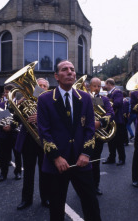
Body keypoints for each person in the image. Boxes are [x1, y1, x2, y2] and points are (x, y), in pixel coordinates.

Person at [37, 60, 101, 221]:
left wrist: (86, 154)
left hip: (82, 161)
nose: (70, 72)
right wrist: (56, 157)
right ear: (56, 76)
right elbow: (44, 132)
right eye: (64, 70)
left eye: (72, 69)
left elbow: (90, 128)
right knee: (57, 208)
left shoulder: (85, 98)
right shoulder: (45, 99)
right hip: (57, 164)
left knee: (91, 204)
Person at [16, 78, 50, 210]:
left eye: (44, 86)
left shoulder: (52, 100)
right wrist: (18, 107)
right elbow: (14, 118)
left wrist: (39, 117)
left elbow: (57, 118)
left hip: (45, 141)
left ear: (47, 88)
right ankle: (26, 199)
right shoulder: (26, 100)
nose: (41, 87)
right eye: (39, 85)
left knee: (45, 172)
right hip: (28, 140)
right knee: (28, 173)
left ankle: (45, 198)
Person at [89, 77, 114, 195]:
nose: (97, 88)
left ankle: (95, 186)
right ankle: (84, 186)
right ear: (89, 86)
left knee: (95, 161)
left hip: (97, 135)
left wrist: (101, 121)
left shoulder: (103, 99)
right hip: (84, 135)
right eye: (94, 86)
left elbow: (110, 113)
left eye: (99, 86)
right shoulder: (83, 97)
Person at [0, 84, 21, 181]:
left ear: (13, 93)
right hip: (3, 132)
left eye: (8, 92)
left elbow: (20, 118)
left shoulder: (19, 102)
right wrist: (3, 126)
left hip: (15, 132)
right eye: (5, 92)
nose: (5, 94)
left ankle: (18, 172)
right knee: (3, 155)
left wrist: (11, 126)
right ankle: (3, 173)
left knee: (17, 154)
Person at [102, 78, 127, 165]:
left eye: (105, 84)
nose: (105, 86)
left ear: (109, 83)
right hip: (111, 120)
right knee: (110, 141)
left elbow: (118, 103)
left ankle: (121, 159)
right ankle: (111, 158)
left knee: (119, 141)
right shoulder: (109, 93)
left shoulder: (117, 92)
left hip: (117, 120)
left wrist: (106, 103)